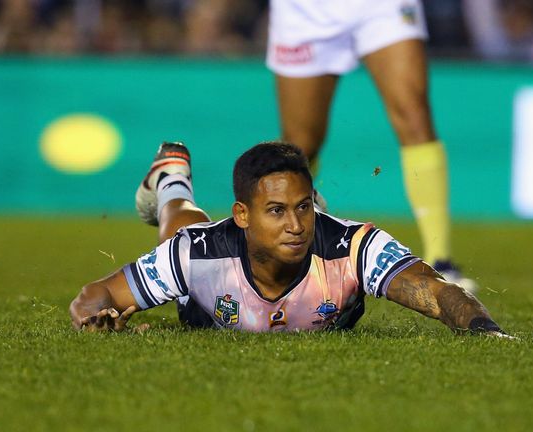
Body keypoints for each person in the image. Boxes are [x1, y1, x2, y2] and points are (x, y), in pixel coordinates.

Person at [70, 141, 510, 337]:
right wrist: (96, 320)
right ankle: (170, 181)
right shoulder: (197, 255)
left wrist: (484, 331)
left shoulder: (354, 247)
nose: (297, 226)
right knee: (182, 230)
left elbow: (439, 293)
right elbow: (94, 295)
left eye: (303, 207)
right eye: (277, 211)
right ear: (242, 215)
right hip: (200, 261)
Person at [265, 0, 477, 291]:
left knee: (414, 113)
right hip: (306, 9)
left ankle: (440, 261)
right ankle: (293, 248)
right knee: (302, 144)